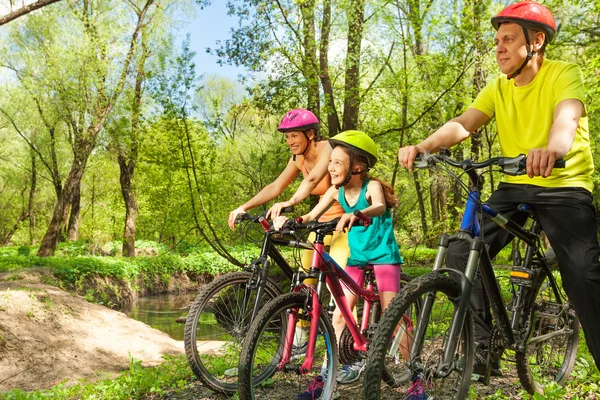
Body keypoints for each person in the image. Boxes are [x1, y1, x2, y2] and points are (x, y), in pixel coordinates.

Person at [397, 0, 600, 379]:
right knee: (460, 249)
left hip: (562, 184)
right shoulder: (498, 88)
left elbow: (567, 116)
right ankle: (484, 347)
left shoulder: (563, 74)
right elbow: (464, 123)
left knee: (585, 275)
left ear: (536, 42)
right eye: (496, 41)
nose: (499, 48)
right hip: (514, 187)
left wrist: (553, 150)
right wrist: (426, 145)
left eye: (508, 39)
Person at [275, 130, 408, 396]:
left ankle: (412, 369)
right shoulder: (336, 191)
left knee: (393, 314)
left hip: (383, 255)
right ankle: (329, 378)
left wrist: (358, 213)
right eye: (330, 162)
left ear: (357, 166)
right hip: (357, 257)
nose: (330, 167)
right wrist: (291, 220)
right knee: (339, 315)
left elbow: (379, 206)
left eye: (337, 162)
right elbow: (313, 213)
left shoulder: (372, 187)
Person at [228, 107, 349, 273]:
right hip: (321, 223)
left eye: (294, 135)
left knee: (339, 276)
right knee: (306, 275)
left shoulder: (328, 148)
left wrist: (290, 202)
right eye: (287, 137)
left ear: (310, 134)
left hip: (345, 222)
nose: (289, 141)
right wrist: (243, 207)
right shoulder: (297, 159)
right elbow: (275, 187)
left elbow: (312, 180)